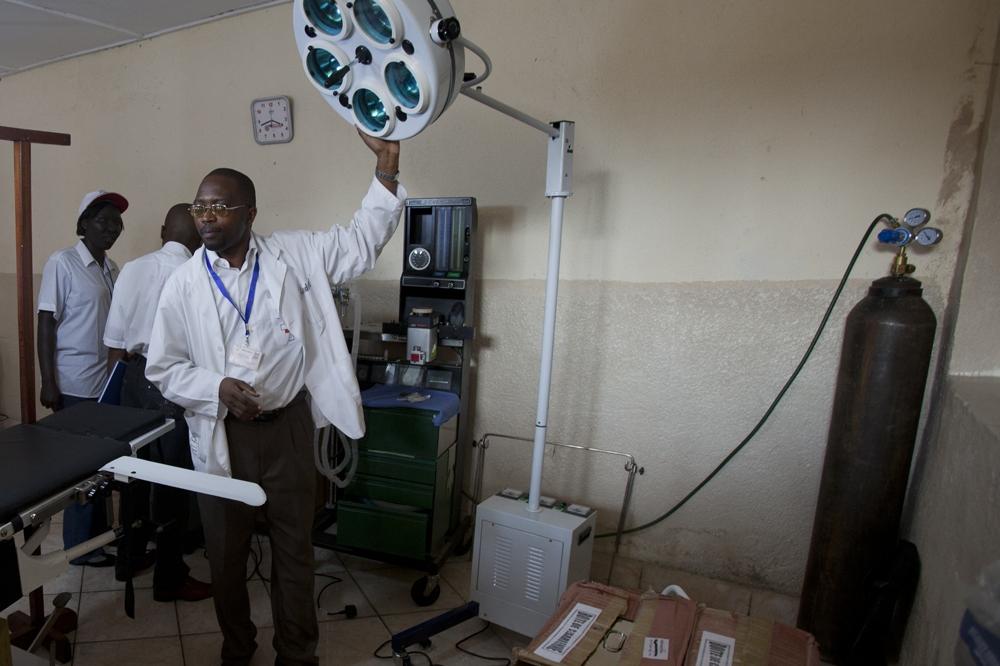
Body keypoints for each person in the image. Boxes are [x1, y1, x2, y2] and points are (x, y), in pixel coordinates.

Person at [146, 131, 403, 666]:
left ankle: (297, 652)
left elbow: (359, 243)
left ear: (251, 212)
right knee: (226, 555)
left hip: (288, 428)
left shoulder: (296, 254)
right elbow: (163, 367)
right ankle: (237, 649)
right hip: (225, 434)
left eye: (220, 207)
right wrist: (216, 388)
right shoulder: (182, 285)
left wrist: (385, 168)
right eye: (200, 207)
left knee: (294, 550)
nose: (206, 217)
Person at [103, 203, 211, 602]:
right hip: (173, 384)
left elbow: (115, 344)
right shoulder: (197, 273)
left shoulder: (132, 268)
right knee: (174, 482)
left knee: (133, 475)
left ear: (163, 231)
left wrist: (115, 407)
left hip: (133, 380)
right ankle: (169, 578)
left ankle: (128, 559)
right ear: (197, 236)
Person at [37, 189, 126, 567]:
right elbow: (46, 322)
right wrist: (48, 380)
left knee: (100, 466)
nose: (112, 229)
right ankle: (79, 546)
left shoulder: (111, 268)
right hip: (73, 382)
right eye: (104, 221)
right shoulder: (64, 262)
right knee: (79, 470)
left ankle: (97, 540)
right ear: (84, 224)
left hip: (104, 382)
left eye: (117, 223)